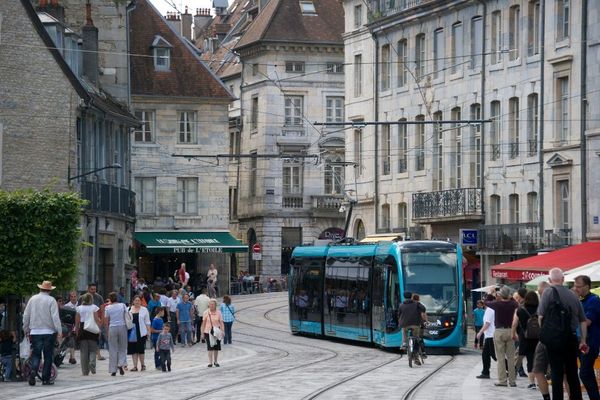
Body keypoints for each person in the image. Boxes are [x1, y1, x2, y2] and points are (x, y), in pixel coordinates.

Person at [538, 268, 587, 400]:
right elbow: (583, 321)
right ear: (563, 279)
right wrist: (583, 340)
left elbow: (540, 316)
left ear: (549, 280)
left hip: (554, 339)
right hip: (571, 338)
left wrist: (543, 335)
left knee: (556, 372)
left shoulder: (548, 292)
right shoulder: (573, 295)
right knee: (572, 373)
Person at [22, 280, 62, 386]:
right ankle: (45, 379)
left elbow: (26, 315)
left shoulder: (32, 299)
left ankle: (33, 371)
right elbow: (55, 317)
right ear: (49, 290)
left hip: (35, 331)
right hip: (49, 332)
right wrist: (59, 331)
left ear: (40, 288)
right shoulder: (51, 300)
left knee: (36, 354)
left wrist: (25, 328)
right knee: (48, 355)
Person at [485, 286, 518, 387]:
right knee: (511, 358)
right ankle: (512, 381)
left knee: (500, 358)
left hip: (499, 331)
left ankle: (502, 380)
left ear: (500, 295)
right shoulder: (513, 304)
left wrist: (491, 293)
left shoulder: (496, 304)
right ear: (509, 295)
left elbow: (486, 302)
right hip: (510, 331)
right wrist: (509, 295)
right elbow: (514, 301)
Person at [574, 275, 600, 400]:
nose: (576, 289)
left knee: (584, 373)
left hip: (590, 343)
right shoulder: (581, 301)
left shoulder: (594, 300)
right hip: (581, 342)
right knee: (586, 372)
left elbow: (587, 321)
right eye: (575, 286)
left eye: (579, 286)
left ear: (587, 286)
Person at [511, 290, 540, 389]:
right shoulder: (540, 309)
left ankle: (514, 378)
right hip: (537, 338)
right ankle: (538, 381)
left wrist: (513, 334)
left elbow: (514, 323)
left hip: (524, 337)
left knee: (523, 358)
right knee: (535, 360)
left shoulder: (520, 309)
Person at [75, 293, 101, 376]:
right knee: (93, 349)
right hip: (92, 328)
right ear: (91, 299)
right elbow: (96, 319)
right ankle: (92, 363)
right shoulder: (94, 307)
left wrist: (76, 331)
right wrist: (99, 329)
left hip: (82, 329)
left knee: (83, 352)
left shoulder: (79, 308)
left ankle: (85, 371)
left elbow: (77, 321)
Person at [398, 291, 426, 365]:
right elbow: (423, 309)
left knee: (404, 330)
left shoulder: (401, 305)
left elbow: (399, 315)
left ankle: (404, 343)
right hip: (415, 325)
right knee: (416, 340)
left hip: (404, 324)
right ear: (411, 297)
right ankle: (416, 358)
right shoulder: (416, 303)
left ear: (404, 297)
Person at [79, 283, 105, 361]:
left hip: (95, 320)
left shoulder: (99, 297)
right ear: (88, 289)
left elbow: (102, 309)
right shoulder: (82, 298)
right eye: (92, 289)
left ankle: (98, 354)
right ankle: (88, 354)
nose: (93, 291)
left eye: (95, 289)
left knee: (96, 338)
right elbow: (78, 310)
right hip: (84, 321)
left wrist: (102, 320)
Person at [104, 292, 128, 377]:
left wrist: (107, 331)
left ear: (110, 299)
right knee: (122, 347)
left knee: (113, 349)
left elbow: (106, 321)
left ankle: (113, 369)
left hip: (112, 327)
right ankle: (120, 364)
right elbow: (127, 315)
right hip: (122, 326)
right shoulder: (122, 305)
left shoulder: (107, 308)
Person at [127, 295, 151, 371]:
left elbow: (147, 322)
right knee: (133, 350)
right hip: (131, 333)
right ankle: (135, 366)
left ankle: (143, 365)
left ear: (141, 301)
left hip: (141, 332)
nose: (137, 302)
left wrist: (148, 331)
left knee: (141, 349)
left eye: (138, 300)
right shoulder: (128, 309)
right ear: (133, 301)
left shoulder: (144, 310)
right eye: (136, 300)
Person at [476, 294, 497, 379]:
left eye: (485, 300)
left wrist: (480, 332)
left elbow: (487, 324)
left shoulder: (489, 310)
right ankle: (485, 372)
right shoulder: (492, 309)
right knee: (486, 354)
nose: (484, 302)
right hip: (490, 336)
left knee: (494, 355)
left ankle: (510, 368)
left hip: (491, 336)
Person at [201, 299, 224, 367]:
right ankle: (210, 362)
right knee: (210, 347)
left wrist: (223, 331)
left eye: (213, 304)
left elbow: (221, 322)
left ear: (215, 305)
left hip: (216, 332)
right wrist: (202, 333)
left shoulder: (219, 313)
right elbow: (203, 324)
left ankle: (216, 361)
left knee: (216, 347)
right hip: (208, 332)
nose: (211, 305)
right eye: (210, 304)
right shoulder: (206, 312)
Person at [62, 291, 78, 364]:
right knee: (71, 341)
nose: (73, 298)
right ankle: (72, 357)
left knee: (72, 342)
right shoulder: (66, 306)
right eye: (72, 296)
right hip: (70, 327)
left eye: (74, 296)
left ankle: (72, 357)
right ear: (70, 297)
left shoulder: (80, 305)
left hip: (78, 326)